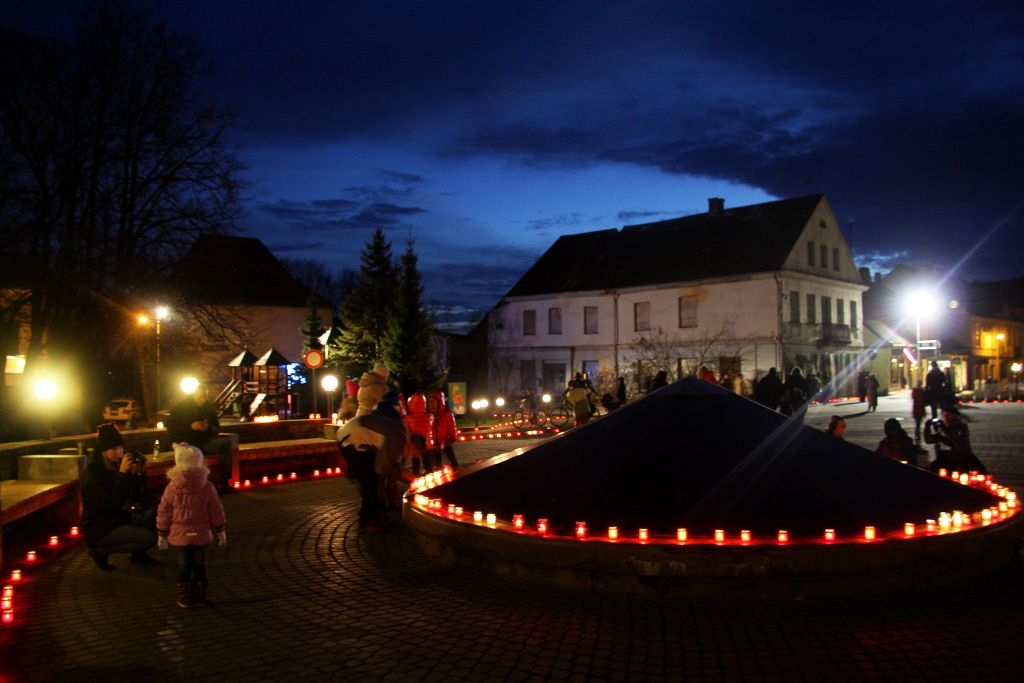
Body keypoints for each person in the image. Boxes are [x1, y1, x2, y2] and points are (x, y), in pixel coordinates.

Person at [79, 423, 159, 570]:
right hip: (99, 527)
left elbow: (137, 497)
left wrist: (139, 472)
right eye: (114, 449)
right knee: (150, 538)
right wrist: (122, 475)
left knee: (154, 515)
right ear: (104, 450)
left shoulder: (115, 465)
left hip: (117, 519)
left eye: (121, 448)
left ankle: (139, 556)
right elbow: (110, 503)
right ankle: (100, 551)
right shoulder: (93, 473)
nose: (119, 453)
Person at [156, 443, 226, 608]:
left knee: (183, 565)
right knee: (199, 564)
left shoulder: (172, 487)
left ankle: (185, 597)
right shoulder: (207, 486)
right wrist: (220, 529)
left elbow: (164, 511)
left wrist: (162, 533)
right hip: (200, 532)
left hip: (180, 533)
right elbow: (216, 509)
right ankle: (200, 595)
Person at [335, 391, 408, 532]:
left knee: (372, 480)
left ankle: (374, 516)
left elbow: (385, 458)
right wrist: (401, 476)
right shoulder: (400, 436)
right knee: (369, 481)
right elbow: (383, 465)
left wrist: (395, 471)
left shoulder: (401, 432)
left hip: (356, 435)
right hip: (352, 437)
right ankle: (367, 521)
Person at [167, 383, 236, 493]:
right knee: (189, 454)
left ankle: (224, 481)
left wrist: (208, 428)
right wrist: (190, 426)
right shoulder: (180, 408)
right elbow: (172, 428)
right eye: (200, 397)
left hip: (204, 442)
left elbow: (216, 428)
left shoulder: (209, 410)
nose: (202, 400)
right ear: (194, 395)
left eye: (204, 397)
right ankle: (187, 486)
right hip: (186, 443)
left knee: (226, 444)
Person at [924, 405, 986, 474]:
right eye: (944, 415)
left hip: (963, 458)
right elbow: (929, 440)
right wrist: (927, 428)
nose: (945, 417)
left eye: (948, 415)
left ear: (955, 416)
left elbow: (956, 441)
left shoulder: (961, 426)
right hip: (946, 458)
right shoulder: (942, 428)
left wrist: (944, 430)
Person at [403, 392, 435, 475]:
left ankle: (415, 477)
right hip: (428, 444)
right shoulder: (430, 416)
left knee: (415, 464)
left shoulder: (407, 418)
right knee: (428, 464)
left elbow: (406, 431)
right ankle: (430, 478)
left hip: (415, 445)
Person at [428, 390, 459, 468]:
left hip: (445, 441)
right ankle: (438, 467)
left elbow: (452, 426)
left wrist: (453, 436)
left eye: (433, 401)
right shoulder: (429, 416)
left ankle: (455, 466)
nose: (431, 404)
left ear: (439, 402)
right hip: (435, 443)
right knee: (437, 457)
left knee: (450, 453)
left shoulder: (446, 414)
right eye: (429, 402)